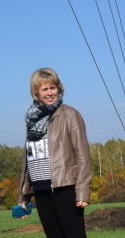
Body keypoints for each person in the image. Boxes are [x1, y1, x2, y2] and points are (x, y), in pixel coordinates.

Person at [18, 68, 92, 238]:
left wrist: (82, 192)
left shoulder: (70, 114)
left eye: (53, 88)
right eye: (45, 89)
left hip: (64, 187)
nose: (50, 93)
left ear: (59, 88)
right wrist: (24, 196)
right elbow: (28, 160)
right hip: (40, 189)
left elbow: (83, 156)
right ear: (36, 92)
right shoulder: (32, 119)